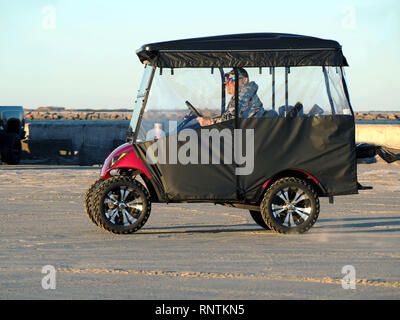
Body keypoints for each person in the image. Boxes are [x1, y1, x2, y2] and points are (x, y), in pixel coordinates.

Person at [197, 67, 264, 126]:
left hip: (249, 136)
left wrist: (209, 122)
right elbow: (229, 116)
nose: (229, 83)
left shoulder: (244, 95)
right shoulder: (245, 94)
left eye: (234, 79)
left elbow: (230, 120)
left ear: (244, 80)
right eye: (229, 80)